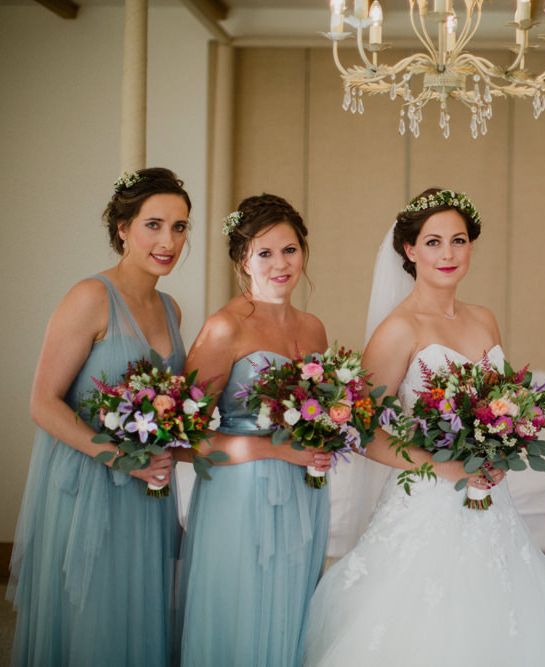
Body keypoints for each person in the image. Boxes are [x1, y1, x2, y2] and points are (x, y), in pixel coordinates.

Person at [304, 188, 545, 666]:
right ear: (409, 250)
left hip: (491, 498)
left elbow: (500, 406)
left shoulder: (484, 319)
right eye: (433, 242)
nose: (448, 254)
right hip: (427, 498)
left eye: (458, 241)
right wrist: (443, 467)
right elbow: (359, 430)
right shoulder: (399, 329)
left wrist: (502, 446)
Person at [8, 168, 191, 666]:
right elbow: (43, 402)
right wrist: (119, 459)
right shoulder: (90, 296)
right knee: (94, 624)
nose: (168, 240)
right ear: (123, 229)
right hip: (91, 484)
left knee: (139, 616)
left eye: (179, 227)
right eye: (153, 224)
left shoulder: (170, 308)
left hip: (147, 492)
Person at [176, 194, 332, 666]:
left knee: (292, 605)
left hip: (304, 488)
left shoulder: (314, 328)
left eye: (289, 250)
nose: (280, 264)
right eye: (264, 253)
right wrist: (275, 451)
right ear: (243, 260)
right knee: (242, 609)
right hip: (241, 492)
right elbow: (184, 437)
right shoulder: (226, 328)